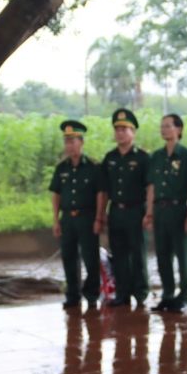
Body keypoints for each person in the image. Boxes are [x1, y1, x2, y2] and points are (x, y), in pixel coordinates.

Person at [145, 114, 187, 313]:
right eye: (162, 126)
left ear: (179, 130)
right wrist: (149, 212)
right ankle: (167, 294)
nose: (163, 130)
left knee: (182, 254)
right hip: (160, 209)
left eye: (168, 126)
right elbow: (151, 186)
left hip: (178, 209)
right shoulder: (157, 156)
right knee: (162, 254)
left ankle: (183, 296)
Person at [49, 120, 105, 310]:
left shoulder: (93, 167)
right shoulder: (61, 168)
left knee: (90, 257)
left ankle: (91, 293)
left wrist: (99, 218)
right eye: (66, 142)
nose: (69, 145)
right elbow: (56, 195)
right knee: (69, 257)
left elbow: (100, 193)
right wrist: (56, 221)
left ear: (82, 142)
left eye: (73, 141)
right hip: (68, 219)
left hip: (87, 217)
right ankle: (73, 294)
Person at [103, 109, 152, 308]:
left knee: (137, 253)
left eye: (124, 129)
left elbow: (150, 187)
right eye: (117, 129)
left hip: (136, 210)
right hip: (116, 211)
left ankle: (140, 293)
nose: (120, 133)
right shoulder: (110, 158)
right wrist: (102, 214)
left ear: (133, 132)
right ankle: (122, 293)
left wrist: (149, 212)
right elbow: (104, 189)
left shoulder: (142, 158)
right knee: (119, 253)